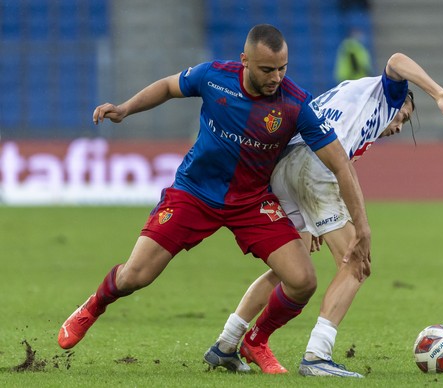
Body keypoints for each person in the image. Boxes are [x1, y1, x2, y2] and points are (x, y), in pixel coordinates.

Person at [57, 25, 372, 374]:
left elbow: (340, 164)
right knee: (136, 276)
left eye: (282, 68)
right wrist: (126, 108)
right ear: (245, 61)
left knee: (302, 281)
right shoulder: (214, 76)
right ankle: (94, 305)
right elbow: (167, 87)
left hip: (251, 201)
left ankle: (255, 341)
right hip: (194, 192)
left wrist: (362, 227)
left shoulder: (296, 104)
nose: (276, 78)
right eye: (268, 69)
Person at [203, 52, 443, 377]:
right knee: (356, 263)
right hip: (312, 165)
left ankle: (228, 342)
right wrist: (438, 91)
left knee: (290, 267)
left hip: (284, 165)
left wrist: (311, 218)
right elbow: (397, 60)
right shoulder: (386, 95)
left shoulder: (340, 103)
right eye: (404, 116)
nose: (399, 125)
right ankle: (318, 355)